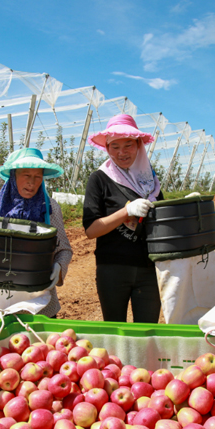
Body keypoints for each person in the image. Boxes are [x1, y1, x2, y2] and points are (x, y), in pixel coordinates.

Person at [0, 147, 72, 317]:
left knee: (41, 343)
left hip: (39, 302)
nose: (32, 182)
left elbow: (64, 249)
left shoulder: (50, 208)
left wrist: (59, 267)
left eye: (38, 177)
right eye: (26, 175)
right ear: (13, 176)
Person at [83, 114, 163, 323]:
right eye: (115, 146)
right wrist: (126, 212)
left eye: (128, 145)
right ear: (107, 149)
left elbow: (161, 222)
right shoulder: (100, 179)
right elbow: (91, 230)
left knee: (146, 332)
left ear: (139, 146)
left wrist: (187, 208)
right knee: (115, 330)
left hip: (149, 270)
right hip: (113, 269)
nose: (122, 152)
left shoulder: (150, 182)